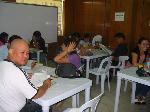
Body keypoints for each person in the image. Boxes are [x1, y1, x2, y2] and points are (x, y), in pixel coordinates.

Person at [0, 38, 51, 112]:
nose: (26, 56)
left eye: (27, 53)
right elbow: (35, 95)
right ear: (11, 51)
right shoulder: (16, 72)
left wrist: (25, 75)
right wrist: (46, 84)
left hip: (3, 108)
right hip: (19, 110)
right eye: (22, 52)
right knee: (46, 104)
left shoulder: (2, 64)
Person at [129, 37, 150, 104]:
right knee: (142, 78)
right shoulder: (135, 51)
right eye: (143, 44)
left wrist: (146, 64)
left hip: (139, 68)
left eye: (147, 44)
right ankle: (136, 95)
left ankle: (140, 95)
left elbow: (145, 61)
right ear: (139, 45)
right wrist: (144, 66)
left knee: (147, 79)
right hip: (130, 68)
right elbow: (134, 64)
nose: (146, 46)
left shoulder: (146, 51)